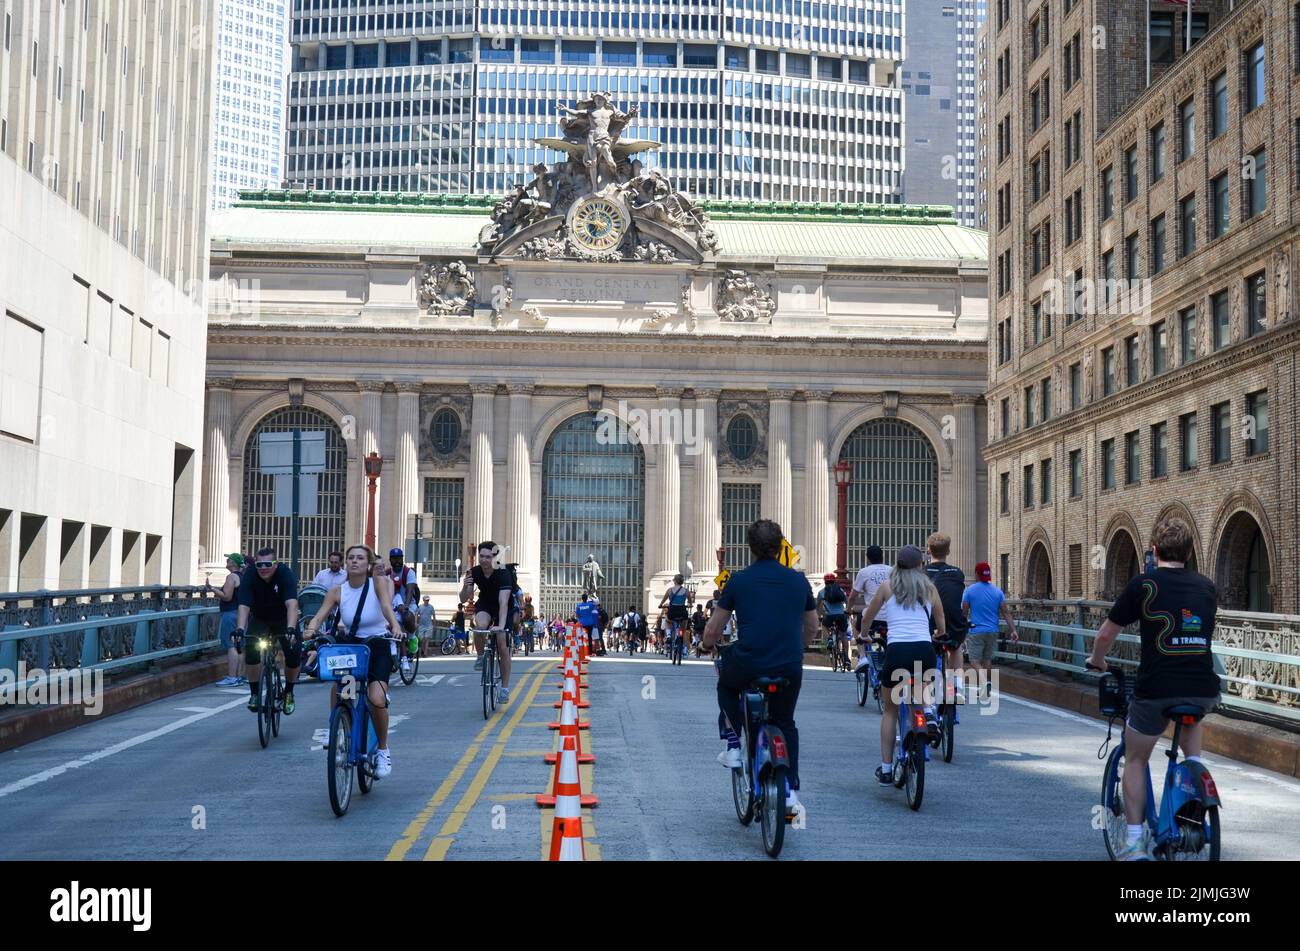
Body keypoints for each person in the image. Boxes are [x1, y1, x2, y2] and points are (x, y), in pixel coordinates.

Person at [1087, 518, 1222, 861]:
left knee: (1135, 757)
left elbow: (1104, 635)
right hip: (1203, 688)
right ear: (1190, 553)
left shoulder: (1143, 585)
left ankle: (1134, 842)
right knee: (1191, 724)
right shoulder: (1207, 587)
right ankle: (1194, 776)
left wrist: (1097, 660)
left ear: (1154, 551)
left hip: (1157, 688)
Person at [701, 520, 815, 815]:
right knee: (785, 721)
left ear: (750, 548)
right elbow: (812, 626)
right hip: (789, 663)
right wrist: (799, 646)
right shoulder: (799, 581)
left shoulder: (739, 581)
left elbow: (715, 628)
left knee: (726, 685)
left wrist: (705, 644)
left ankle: (733, 746)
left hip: (749, 660)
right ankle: (790, 793)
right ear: (780, 547)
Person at [303, 545, 404, 778]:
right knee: (341, 690)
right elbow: (320, 616)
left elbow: (387, 608)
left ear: (368, 564)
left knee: (376, 698)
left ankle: (382, 749)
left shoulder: (376, 583)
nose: (354, 561)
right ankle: (336, 729)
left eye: (360, 558)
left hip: (377, 643)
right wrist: (310, 630)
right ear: (345, 563)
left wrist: (396, 626)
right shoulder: (337, 591)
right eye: (350, 558)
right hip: (352, 646)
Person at [858, 544, 946, 786]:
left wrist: (864, 634)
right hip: (923, 649)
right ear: (921, 565)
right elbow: (940, 617)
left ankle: (886, 769)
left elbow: (868, 616)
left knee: (890, 711)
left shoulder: (888, 587)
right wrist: (940, 633)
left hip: (897, 652)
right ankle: (928, 714)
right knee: (922, 686)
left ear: (897, 564)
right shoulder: (929, 587)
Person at [232, 547, 303, 715]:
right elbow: (244, 606)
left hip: (284, 618)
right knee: (251, 650)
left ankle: (289, 693)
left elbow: (292, 604)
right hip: (261, 618)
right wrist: (240, 629)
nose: (263, 568)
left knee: (293, 654)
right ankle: (255, 694)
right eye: (259, 564)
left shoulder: (285, 574)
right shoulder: (250, 575)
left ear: (276, 564)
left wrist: (291, 629)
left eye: (268, 564)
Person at [459, 541, 517, 703]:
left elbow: (504, 602)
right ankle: (480, 655)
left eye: (488, 557)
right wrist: (466, 586)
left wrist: (500, 625)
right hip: (485, 603)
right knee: (480, 627)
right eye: (481, 556)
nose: (484, 560)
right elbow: (464, 599)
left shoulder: (503, 572)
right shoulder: (474, 572)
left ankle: (504, 689)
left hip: (503, 607)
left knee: (501, 642)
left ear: (495, 557)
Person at [924, 532, 969, 704]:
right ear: (948, 551)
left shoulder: (922, 573)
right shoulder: (957, 573)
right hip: (953, 620)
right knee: (955, 646)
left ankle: (927, 689)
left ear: (929, 551)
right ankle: (957, 686)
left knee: (926, 648)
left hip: (929, 620)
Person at [962, 562, 1018, 696]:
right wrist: (1013, 630)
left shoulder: (969, 591)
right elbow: (1005, 612)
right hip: (993, 631)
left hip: (976, 630)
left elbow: (964, 613)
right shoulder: (997, 592)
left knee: (974, 660)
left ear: (976, 574)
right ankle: (984, 688)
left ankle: (983, 682)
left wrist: (962, 630)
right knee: (987, 659)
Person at [208, 554, 245, 686]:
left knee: (230, 645)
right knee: (240, 645)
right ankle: (240, 675)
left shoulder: (231, 577)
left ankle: (231, 677)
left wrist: (212, 589)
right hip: (241, 614)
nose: (226, 561)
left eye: (228, 560)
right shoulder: (242, 577)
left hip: (230, 613)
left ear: (233, 563)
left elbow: (227, 596)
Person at [849, 545, 890, 636]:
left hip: (871, 617)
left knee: (856, 625)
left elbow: (852, 597)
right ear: (882, 556)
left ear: (867, 558)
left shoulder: (863, 572)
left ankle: (862, 650)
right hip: (890, 617)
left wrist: (848, 610)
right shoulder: (891, 570)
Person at [817, 573, 851, 667]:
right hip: (841, 615)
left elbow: (818, 606)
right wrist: (847, 612)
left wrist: (819, 615)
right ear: (834, 581)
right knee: (843, 635)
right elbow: (847, 601)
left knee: (824, 625)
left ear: (825, 582)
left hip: (829, 616)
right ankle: (847, 658)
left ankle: (829, 639)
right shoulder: (840, 590)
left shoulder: (821, 592)